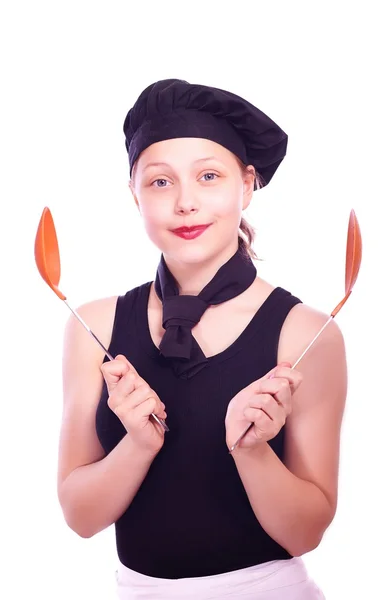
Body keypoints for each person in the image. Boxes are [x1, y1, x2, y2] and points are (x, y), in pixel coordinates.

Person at [57, 79, 346, 599]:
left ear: (248, 183)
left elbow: (306, 532)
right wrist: (138, 445)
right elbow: (80, 517)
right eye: (160, 182)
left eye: (208, 176)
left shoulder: (307, 333)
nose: (185, 203)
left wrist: (252, 450)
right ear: (134, 193)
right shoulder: (94, 327)